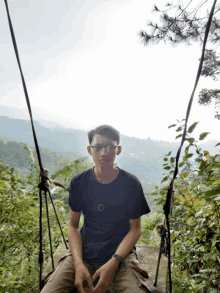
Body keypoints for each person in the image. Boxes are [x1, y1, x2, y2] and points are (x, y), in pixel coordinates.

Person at [41, 125, 151, 293]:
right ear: (89, 149)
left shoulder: (130, 184)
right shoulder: (79, 183)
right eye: (98, 147)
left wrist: (113, 263)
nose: (104, 153)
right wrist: (78, 264)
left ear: (118, 150)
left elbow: (135, 230)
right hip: (84, 253)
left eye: (110, 147)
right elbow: (73, 226)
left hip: (121, 255)